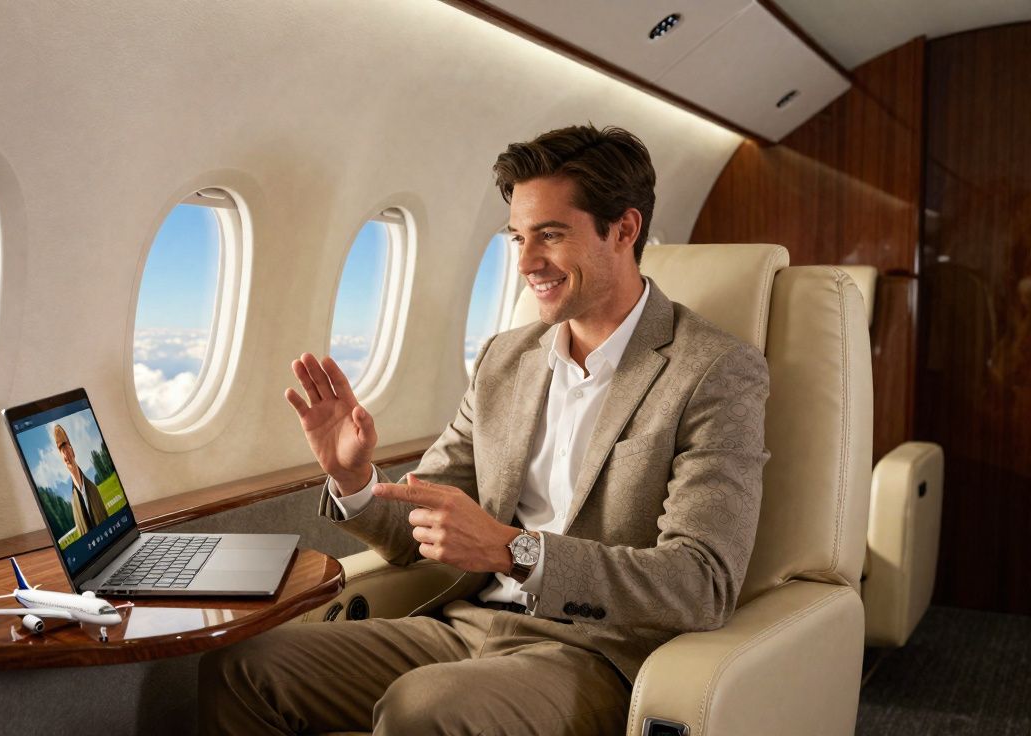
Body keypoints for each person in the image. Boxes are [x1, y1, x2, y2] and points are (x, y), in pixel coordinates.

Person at [198, 125, 770, 735]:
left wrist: (513, 551)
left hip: (596, 652)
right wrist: (356, 478)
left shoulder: (712, 370)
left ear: (624, 230)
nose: (525, 263)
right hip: (468, 624)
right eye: (518, 238)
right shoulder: (506, 358)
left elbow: (701, 582)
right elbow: (421, 528)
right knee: (244, 668)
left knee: (423, 710)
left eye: (550, 235)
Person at [52, 424, 108, 536]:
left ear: (73, 451)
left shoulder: (93, 489)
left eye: (66, 447)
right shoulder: (74, 502)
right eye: (61, 450)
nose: (65, 454)